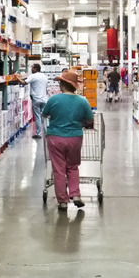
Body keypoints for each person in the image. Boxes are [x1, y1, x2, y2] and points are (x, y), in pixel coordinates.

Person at [42, 70, 94, 211]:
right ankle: (75, 194)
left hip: (55, 138)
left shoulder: (54, 99)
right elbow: (90, 120)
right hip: (75, 138)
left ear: (62, 84)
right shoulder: (82, 101)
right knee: (72, 166)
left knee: (59, 169)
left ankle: (63, 201)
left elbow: (44, 114)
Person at [16, 63, 49, 139]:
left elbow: (24, 83)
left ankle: (38, 133)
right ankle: (47, 132)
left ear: (35, 68)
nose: (31, 69)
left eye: (32, 68)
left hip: (36, 99)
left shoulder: (33, 76)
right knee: (44, 116)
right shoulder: (44, 76)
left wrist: (17, 77)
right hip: (44, 99)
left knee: (37, 117)